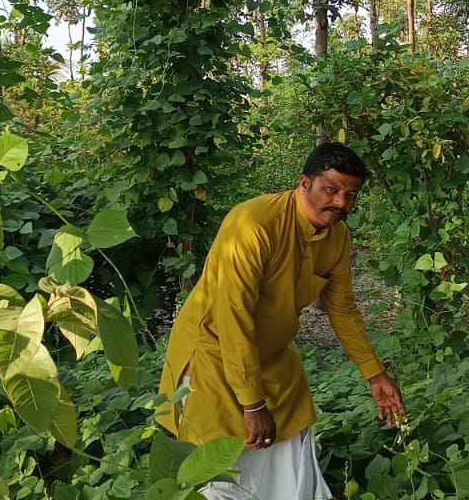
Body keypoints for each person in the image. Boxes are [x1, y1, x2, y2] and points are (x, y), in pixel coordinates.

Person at [158, 142, 407, 499]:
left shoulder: (337, 237)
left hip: (274, 360)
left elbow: (343, 309)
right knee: (218, 473)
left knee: (292, 464)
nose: (341, 203)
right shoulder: (252, 225)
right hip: (212, 360)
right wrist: (252, 403)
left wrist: (374, 373)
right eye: (331, 190)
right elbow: (233, 316)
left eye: (350, 195)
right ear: (304, 184)